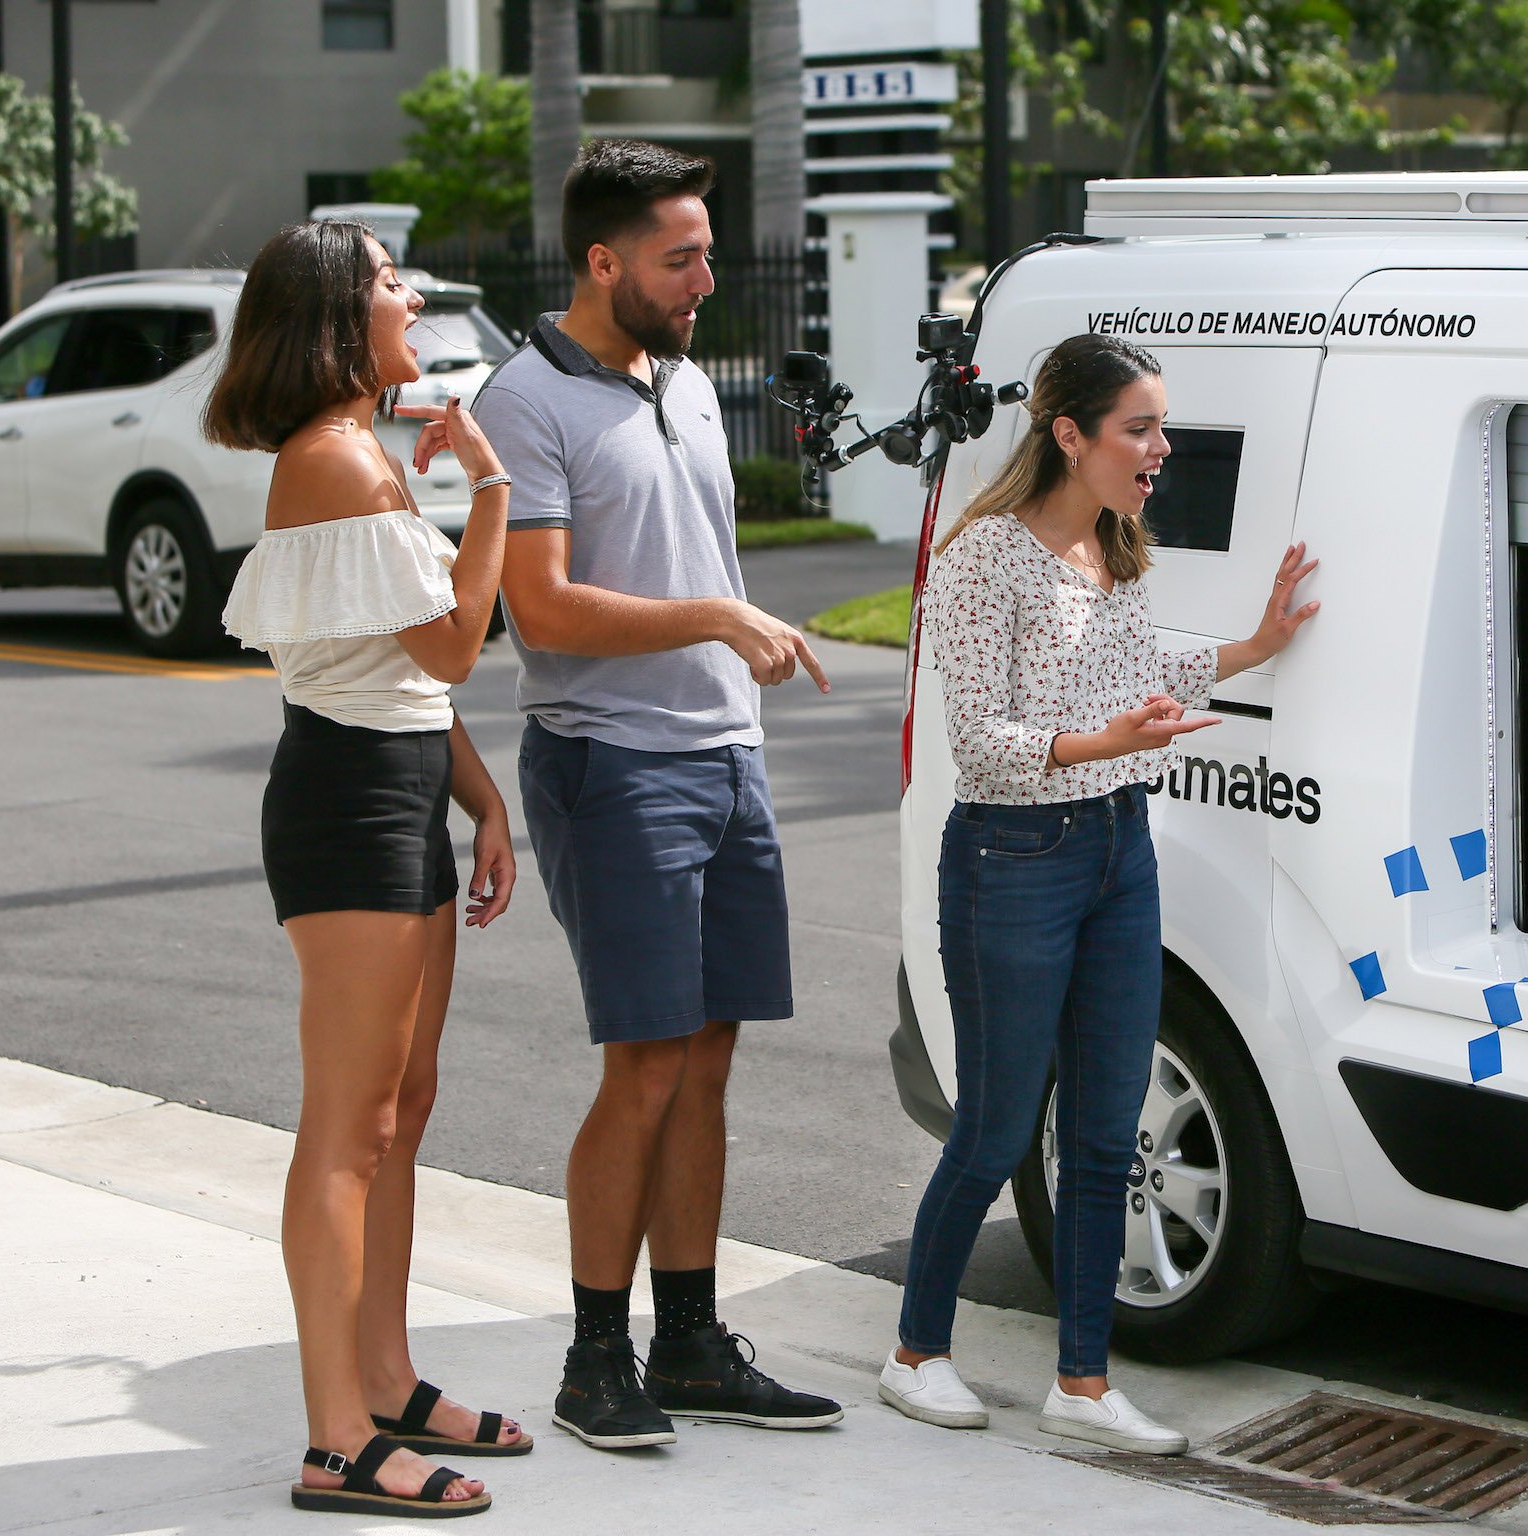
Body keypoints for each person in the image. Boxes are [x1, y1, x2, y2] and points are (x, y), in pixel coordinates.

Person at [877, 333, 1319, 1452]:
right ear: (1068, 435)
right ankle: (915, 1355)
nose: (1160, 448)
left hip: (1123, 852)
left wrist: (1257, 646)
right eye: (1140, 428)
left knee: (1109, 1131)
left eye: (1160, 427)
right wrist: (1097, 743)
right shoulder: (983, 560)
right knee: (996, 1127)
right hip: (1014, 859)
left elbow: (1138, 673)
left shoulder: (1115, 545)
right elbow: (980, 745)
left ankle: (1082, 1386)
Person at [472, 139, 843, 1450]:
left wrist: (724, 639)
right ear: (603, 259)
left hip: (723, 755)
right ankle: (591, 1361)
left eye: (706, 253)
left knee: (710, 1057)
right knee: (644, 1065)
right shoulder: (528, 401)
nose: (704, 280)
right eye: (679, 258)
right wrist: (716, 616)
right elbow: (543, 610)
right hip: (611, 762)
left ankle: (687, 1342)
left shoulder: (678, 380)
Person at [211, 220, 525, 1518]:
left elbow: (406, 682)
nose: (412, 300)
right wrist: (495, 494)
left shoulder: (364, 456)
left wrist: (484, 801)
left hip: (397, 790)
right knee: (347, 1131)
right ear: (342, 315)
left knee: (401, 1111)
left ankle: (387, 1379)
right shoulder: (336, 463)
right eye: (392, 283)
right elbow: (453, 648)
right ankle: (337, 1439)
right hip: (344, 808)